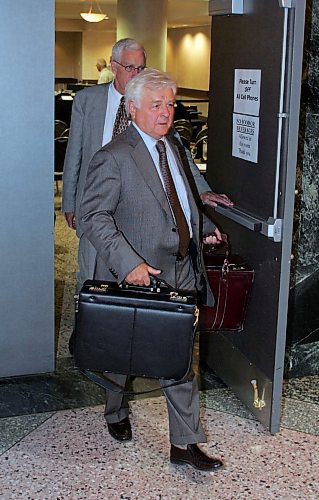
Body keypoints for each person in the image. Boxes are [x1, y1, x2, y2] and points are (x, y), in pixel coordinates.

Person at [78, 68, 225, 472]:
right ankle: (115, 411)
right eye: (157, 105)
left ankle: (185, 443)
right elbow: (94, 217)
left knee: (179, 357)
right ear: (133, 107)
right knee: (121, 357)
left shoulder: (173, 146)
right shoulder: (114, 156)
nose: (166, 113)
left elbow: (183, 198)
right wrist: (129, 265)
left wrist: (205, 230)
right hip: (137, 278)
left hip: (179, 270)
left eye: (171, 104)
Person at [62, 38, 232, 293]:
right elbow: (74, 154)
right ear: (114, 66)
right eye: (131, 67)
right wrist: (70, 202)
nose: (136, 73)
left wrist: (203, 203)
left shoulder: (159, 128)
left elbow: (181, 169)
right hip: (98, 199)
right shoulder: (90, 103)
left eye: (141, 68)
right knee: (93, 278)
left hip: (147, 220)